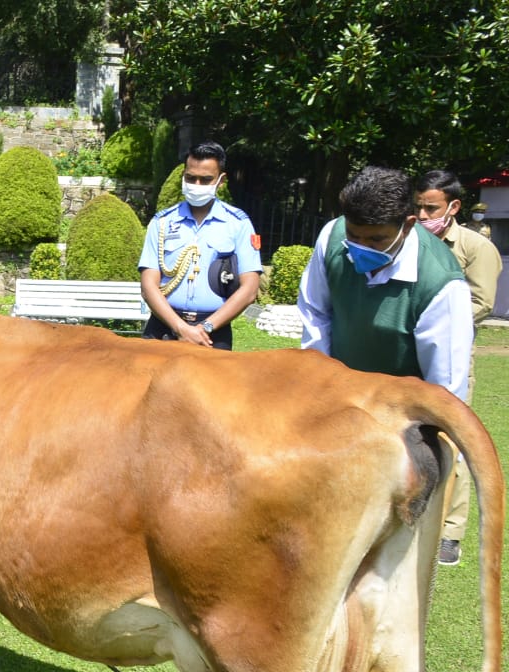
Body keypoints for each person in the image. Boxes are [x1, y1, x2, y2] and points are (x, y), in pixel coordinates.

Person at [297, 167, 473, 506]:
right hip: (339, 404)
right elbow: (315, 312)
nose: (361, 247)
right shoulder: (332, 238)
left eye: (376, 240)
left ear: (408, 224)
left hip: (404, 425)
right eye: (355, 235)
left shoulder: (441, 284)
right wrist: (320, 385)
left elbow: (445, 390)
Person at [413, 170, 503, 565]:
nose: (421, 214)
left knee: (451, 436)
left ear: (453, 207)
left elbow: (481, 303)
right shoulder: (408, 240)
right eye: (417, 206)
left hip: (451, 351)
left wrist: (433, 320)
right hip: (406, 350)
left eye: (429, 208)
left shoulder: (474, 247)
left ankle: (450, 531)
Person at [138, 141, 262, 349]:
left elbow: (249, 289)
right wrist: (181, 328)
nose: (196, 184)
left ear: (221, 181)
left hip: (213, 333)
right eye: (190, 178)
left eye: (205, 180)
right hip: (164, 328)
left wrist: (205, 328)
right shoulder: (162, 222)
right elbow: (148, 285)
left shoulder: (238, 224)